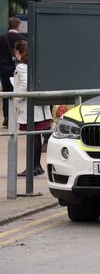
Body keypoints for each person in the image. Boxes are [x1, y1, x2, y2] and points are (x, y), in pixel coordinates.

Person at [12, 40, 52, 176]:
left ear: (18, 52)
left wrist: (15, 98)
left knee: (32, 137)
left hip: (30, 107)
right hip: (40, 107)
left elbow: (24, 85)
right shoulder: (36, 64)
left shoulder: (22, 67)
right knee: (36, 136)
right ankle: (36, 165)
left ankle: (33, 167)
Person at [0, 17, 27, 127]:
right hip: (17, 67)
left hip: (4, 68)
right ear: (18, 26)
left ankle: (7, 117)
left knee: (6, 93)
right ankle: (15, 117)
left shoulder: (1, 38)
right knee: (17, 91)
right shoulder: (22, 39)